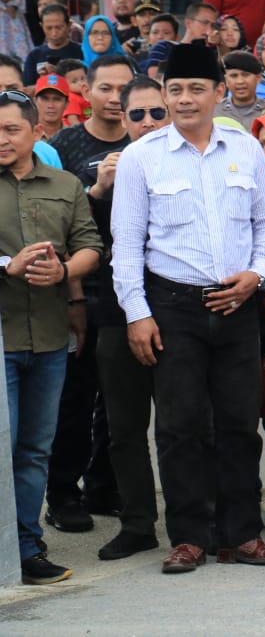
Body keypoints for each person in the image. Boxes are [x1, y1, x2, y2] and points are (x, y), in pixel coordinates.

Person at [111, 43, 265, 574]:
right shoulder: (143, 156)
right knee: (179, 425)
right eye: (175, 90)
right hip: (173, 307)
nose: (185, 100)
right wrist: (138, 314)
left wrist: (257, 276)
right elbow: (126, 244)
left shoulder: (245, 150)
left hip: (237, 305)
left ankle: (244, 534)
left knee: (240, 423)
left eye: (195, 89)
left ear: (218, 93)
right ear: (164, 95)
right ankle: (188, 537)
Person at [1, 89, 103, 584]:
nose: (1, 139)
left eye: (10, 129)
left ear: (35, 132)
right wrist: (8, 265)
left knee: (35, 449)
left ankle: (26, 548)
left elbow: (90, 247)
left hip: (47, 337)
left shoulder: (65, 185)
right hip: (0, 341)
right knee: (3, 446)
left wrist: (64, 271)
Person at [78, 76, 169, 561]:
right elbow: (84, 243)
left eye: (158, 113)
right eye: (138, 115)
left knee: (188, 424)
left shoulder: (190, 163)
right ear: (123, 119)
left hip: (178, 309)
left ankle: (195, 517)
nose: (149, 123)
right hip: (117, 313)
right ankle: (138, 523)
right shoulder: (109, 173)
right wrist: (99, 190)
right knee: (124, 427)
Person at [43, 55, 135, 533]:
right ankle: (63, 494)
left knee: (120, 401)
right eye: (105, 88)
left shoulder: (147, 137)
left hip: (133, 288)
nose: (116, 98)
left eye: (125, 88)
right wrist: (74, 296)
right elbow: (60, 228)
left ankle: (105, 484)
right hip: (83, 285)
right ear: (90, 92)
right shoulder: (65, 144)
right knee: (75, 399)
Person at [215, 52, 265, 131]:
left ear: (258, 78)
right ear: (226, 80)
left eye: (246, 75)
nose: (240, 81)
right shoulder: (214, 111)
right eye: (234, 76)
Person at [24, 4, 82, 85]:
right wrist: (43, 80)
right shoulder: (34, 55)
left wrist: (59, 74)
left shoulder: (81, 51)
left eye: (58, 27)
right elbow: (27, 88)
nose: (54, 33)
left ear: (69, 25)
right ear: (41, 26)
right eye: (49, 28)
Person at [32, 74, 70, 141]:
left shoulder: (73, 136)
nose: (50, 105)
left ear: (66, 104)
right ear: (35, 101)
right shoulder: (26, 135)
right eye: (45, 99)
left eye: (57, 99)